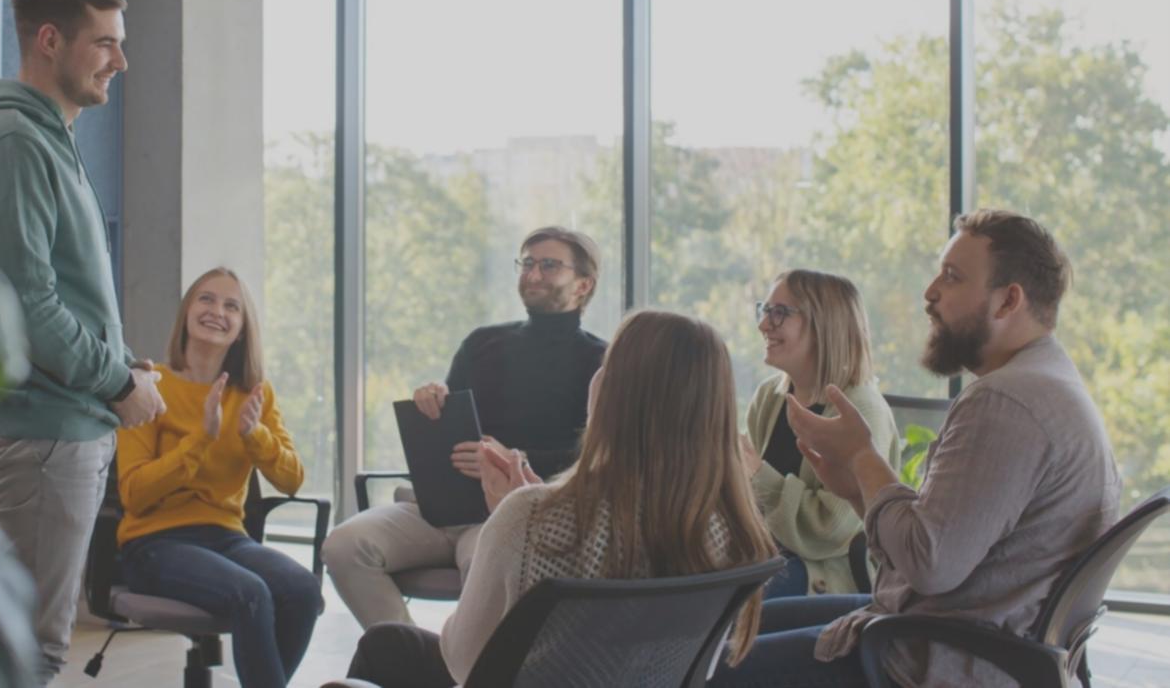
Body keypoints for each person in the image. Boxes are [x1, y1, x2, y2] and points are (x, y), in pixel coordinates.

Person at [710, 210, 1121, 688]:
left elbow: (930, 564)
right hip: (945, 628)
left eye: (952, 276)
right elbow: (938, 544)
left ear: (1009, 301)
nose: (929, 292)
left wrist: (864, 458)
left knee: (703, 666)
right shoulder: (1048, 385)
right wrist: (861, 491)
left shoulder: (1005, 404)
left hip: (930, 655)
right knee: (723, 633)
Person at [342, 310, 780, 686]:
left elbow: (463, 662)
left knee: (387, 648)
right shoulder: (731, 525)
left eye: (608, 366)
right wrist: (534, 501)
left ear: (616, 393)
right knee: (391, 642)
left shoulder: (530, 516)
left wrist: (512, 517)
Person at [0, 0, 165, 683]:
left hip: (60, 421)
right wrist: (115, 381)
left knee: (26, 643)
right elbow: (26, 302)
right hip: (42, 430)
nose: (120, 62)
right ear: (48, 40)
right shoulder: (14, 143)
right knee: (24, 652)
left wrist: (124, 363)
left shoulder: (45, 136)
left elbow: (67, 286)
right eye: (104, 43)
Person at [322, 226, 607, 629]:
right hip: (439, 508)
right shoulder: (482, 342)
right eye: (527, 263)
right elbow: (451, 424)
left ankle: (464, 669)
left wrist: (515, 460)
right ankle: (415, 665)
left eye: (548, 265)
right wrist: (433, 399)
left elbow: (599, 456)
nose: (533, 274)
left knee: (493, 574)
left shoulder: (602, 360)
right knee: (343, 546)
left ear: (583, 285)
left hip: (509, 514)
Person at [117, 268, 323, 688]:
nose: (217, 311)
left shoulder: (254, 394)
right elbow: (135, 494)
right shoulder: (150, 385)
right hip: (154, 542)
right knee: (251, 594)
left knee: (302, 590)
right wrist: (200, 440)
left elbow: (293, 479)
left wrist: (254, 435)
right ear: (187, 312)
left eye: (232, 306)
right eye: (206, 299)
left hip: (228, 538)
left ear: (243, 328)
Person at [742, 269, 900, 597]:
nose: (763, 324)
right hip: (768, 558)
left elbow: (830, 530)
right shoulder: (768, 397)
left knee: (732, 599)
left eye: (779, 313)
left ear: (824, 326)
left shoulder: (861, 410)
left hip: (825, 580)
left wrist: (757, 474)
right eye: (765, 310)